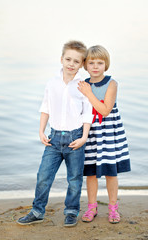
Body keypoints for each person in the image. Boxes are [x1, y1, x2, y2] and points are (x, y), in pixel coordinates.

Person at [17, 40, 93, 227]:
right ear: (61, 59)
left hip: (75, 138)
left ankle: (71, 211)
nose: (71, 64)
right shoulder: (52, 83)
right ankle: (37, 211)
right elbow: (46, 107)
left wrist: (83, 138)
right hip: (54, 137)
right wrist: (41, 131)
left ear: (81, 64)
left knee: (74, 179)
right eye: (68, 59)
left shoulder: (83, 85)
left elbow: (87, 113)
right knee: (43, 175)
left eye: (76, 61)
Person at [78, 45, 131, 224]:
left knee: (110, 171)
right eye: (91, 62)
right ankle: (91, 206)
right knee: (91, 172)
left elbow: (105, 110)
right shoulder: (83, 84)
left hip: (109, 133)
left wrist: (88, 93)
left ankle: (113, 208)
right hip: (91, 132)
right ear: (85, 65)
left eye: (100, 63)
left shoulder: (111, 83)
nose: (95, 66)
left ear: (106, 65)